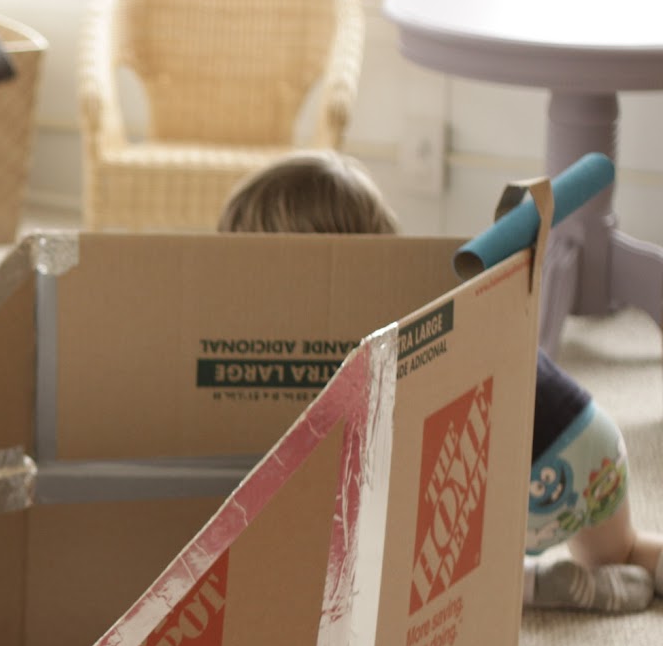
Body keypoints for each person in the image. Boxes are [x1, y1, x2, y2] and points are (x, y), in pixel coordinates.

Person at [219, 149, 663, 614]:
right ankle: (624, 563)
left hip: (506, 482)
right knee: (626, 550)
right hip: (592, 448)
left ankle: (525, 585)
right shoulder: (424, 284)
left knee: (387, 554)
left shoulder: (343, 338)